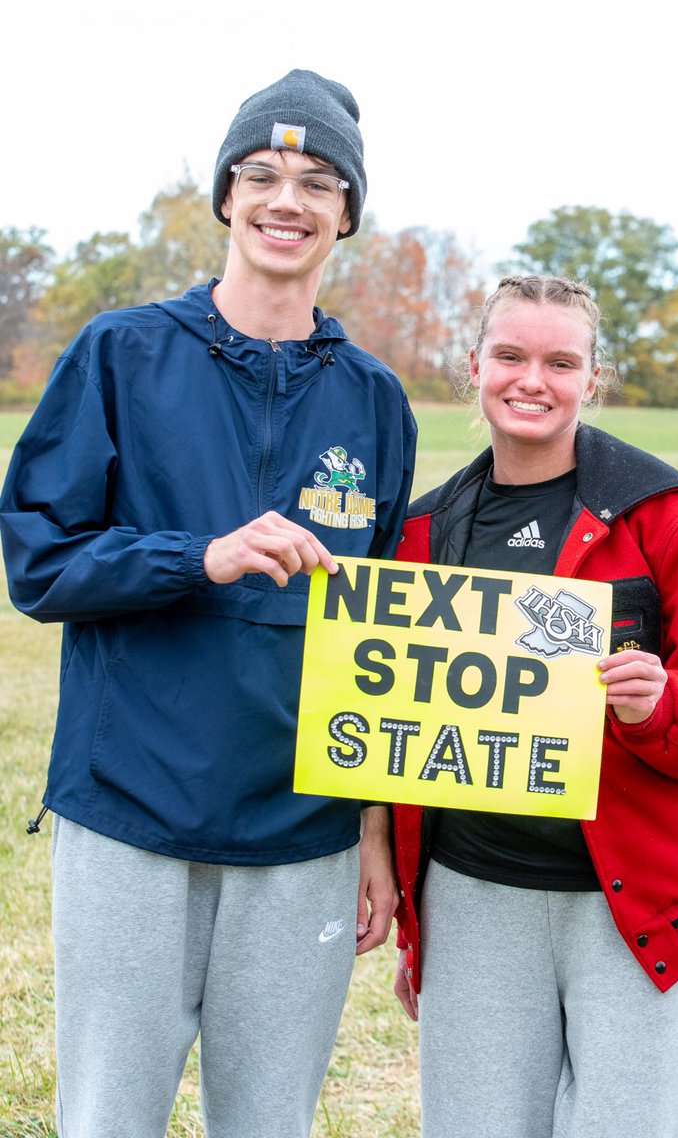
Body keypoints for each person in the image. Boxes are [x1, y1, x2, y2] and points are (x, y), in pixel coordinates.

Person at [0, 69, 417, 1138]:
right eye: (263, 173)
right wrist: (201, 557)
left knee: (268, 1121)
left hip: (301, 828)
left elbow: (378, 630)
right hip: (133, 810)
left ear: (346, 216)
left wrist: (371, 829)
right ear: (226, 196)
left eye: (319, 181)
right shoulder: (121, 353)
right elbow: (41, 564)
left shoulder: (372, 398)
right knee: (108, 1116)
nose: (289, 198)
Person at [390, 274, 678, 1138]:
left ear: (592, 379)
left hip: (634, 903)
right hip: (474, 892)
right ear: (474, 366)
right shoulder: (423, 534)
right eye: (512, 355)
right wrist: (406, 898)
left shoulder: (670, 518)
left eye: (561, 361)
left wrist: (660, 704)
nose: (533, 379)